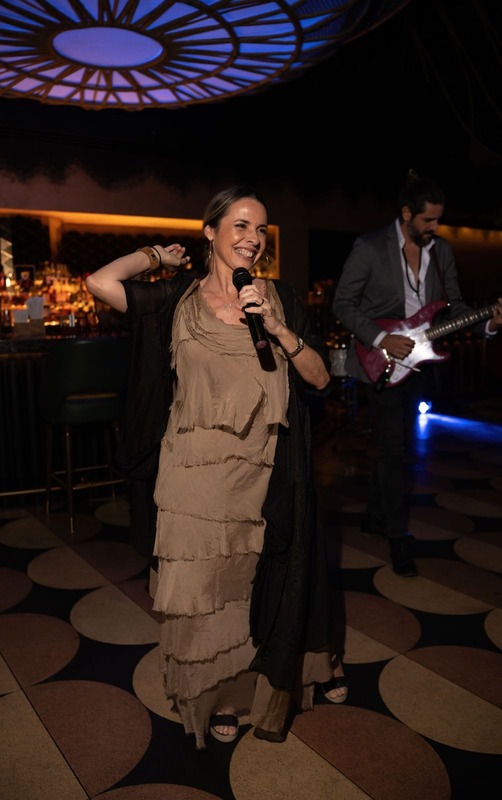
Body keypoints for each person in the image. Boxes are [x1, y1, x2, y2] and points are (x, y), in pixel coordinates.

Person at [85, 185, 347, 751]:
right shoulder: (176, 297)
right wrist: (156, 257)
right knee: (201, 591)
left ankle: (247, 685)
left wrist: (278, 329)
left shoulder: (277, 298)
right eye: (240, 226)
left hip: (263, 470)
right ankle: (218, 697)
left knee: (249, 586)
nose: (253, 239)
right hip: (191, 473)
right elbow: (100, 283)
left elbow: (321, 378)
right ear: (210, 231)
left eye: (261, 229)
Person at [332, 170, 502, 577]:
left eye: (438, 220)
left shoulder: (441, 251)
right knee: (393, 450)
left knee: (398, 445)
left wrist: (490, 323)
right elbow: (343, 303)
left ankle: (375, 515)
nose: (434, 227)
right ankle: (397, 537)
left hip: (421, 361)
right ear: (406, 213)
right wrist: (381, 339)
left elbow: (455, 306)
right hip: (381, 359)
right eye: (428, 220)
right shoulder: (370, 247)